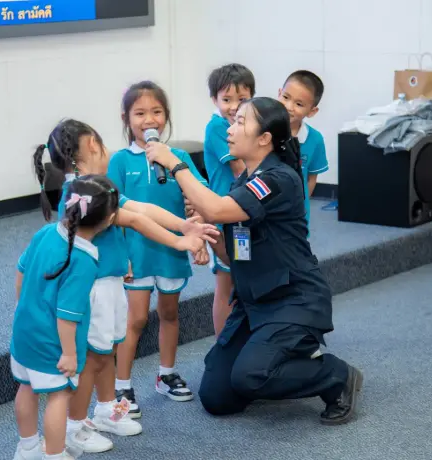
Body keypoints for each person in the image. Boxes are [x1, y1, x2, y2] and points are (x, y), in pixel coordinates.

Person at [145, 96, 364, 425]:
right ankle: (278, 359)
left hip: (293, 300)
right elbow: (234, 255)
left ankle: (336, 375)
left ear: (264, 138)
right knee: (217, 397)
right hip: (256, 303)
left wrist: (176, 164)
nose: (230, 130)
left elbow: (217, 208)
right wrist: (207, 231)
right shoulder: (243, 183)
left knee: (250, 376)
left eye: (240, 122)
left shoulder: (277, 178)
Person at [30, 119, 217, 453]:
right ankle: (74, 426)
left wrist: (182, 227)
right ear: (92, 145)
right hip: (93, 288)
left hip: (110, 281)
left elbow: (139, 211)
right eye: (103, 145)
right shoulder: (84, 193)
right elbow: (136, 218)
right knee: (93, 359)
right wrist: (180, 239)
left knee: (107, 351)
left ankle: (105, 410)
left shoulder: (94, 186)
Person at [108, 80, 210, 417]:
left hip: (171, 252)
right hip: (136, 255)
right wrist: (121, 257)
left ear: (166, 116)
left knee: (169, 314)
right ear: (126, 118)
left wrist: (197, 227)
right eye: (140, 113)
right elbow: (113, 213)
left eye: (156, 112)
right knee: (135, 319)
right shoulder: (119, 161)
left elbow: (199, 196)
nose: (149, 120)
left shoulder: (178, 158)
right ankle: (122, 385)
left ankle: (166, 375)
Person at [10, 175, 119, 460]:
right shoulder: (83, 260)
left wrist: (23, 308)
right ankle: (55, 455)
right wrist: (69, 354)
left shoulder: (46, 232)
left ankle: (27, 449)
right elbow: (67, 316)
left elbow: (21, 272)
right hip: (53, 342)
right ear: (109, 220)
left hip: (24, 331)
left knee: (26, 387)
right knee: (58, 397)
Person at [204, 63, 255, 336]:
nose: (234, 107)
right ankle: (223, 344)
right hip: (225, 215)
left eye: (242, 99)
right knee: (226, 282)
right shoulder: (217, 127)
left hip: (244, 214)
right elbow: (240, 170)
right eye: (227, 100)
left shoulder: (250, 125)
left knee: (243, 277)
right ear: (214, 100)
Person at [278, 70, 330, 225]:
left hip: (296, 214)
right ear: (279, 93)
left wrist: (301, 204)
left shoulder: (315, 139)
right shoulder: (263, 130)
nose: (289, 106)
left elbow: (311, 178)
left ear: (312, 111)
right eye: (285, 97)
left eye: (299, 104)